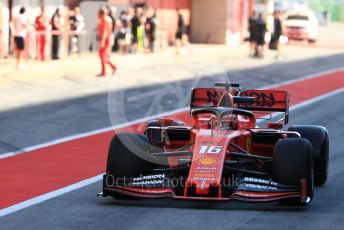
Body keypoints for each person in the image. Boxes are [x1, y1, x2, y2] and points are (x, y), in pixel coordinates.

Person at [97, 7, 117, 77]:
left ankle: (105, 71)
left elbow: (105, 32)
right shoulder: (104, 20)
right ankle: (111, 67)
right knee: (102, 55)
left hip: (105, 39)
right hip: (105, 39)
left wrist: (102, 41)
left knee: (102, 55)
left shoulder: (105, 20)